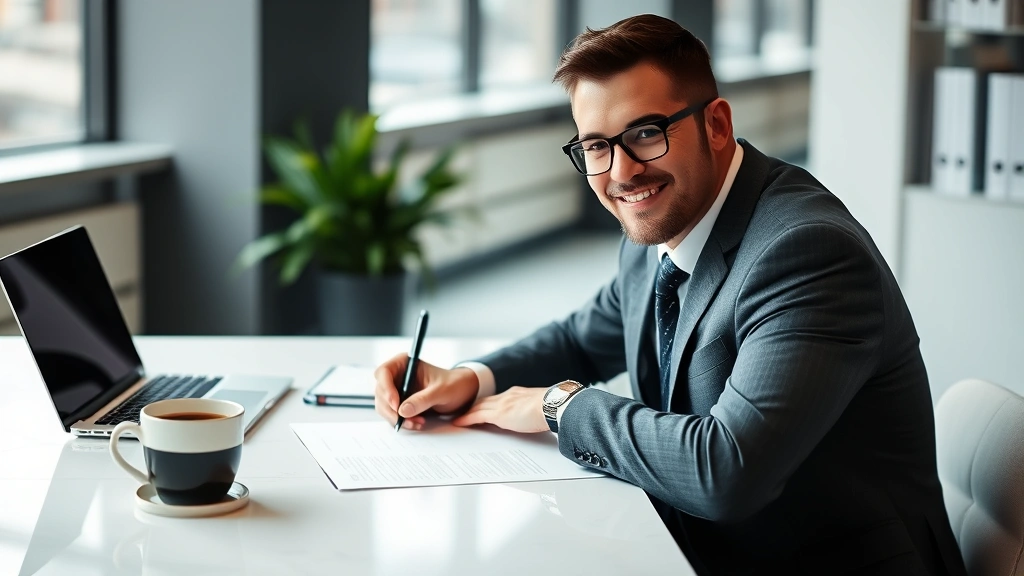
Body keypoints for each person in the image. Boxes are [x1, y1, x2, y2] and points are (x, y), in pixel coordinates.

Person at [373, 14, 967, 575]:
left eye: (646, 133)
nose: (622, 172)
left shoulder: (808, 252)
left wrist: (562, 408)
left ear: (717, 125)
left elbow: (726, 470)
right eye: (597, 146)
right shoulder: (656, 223)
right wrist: (471, 378)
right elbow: (584, 336)